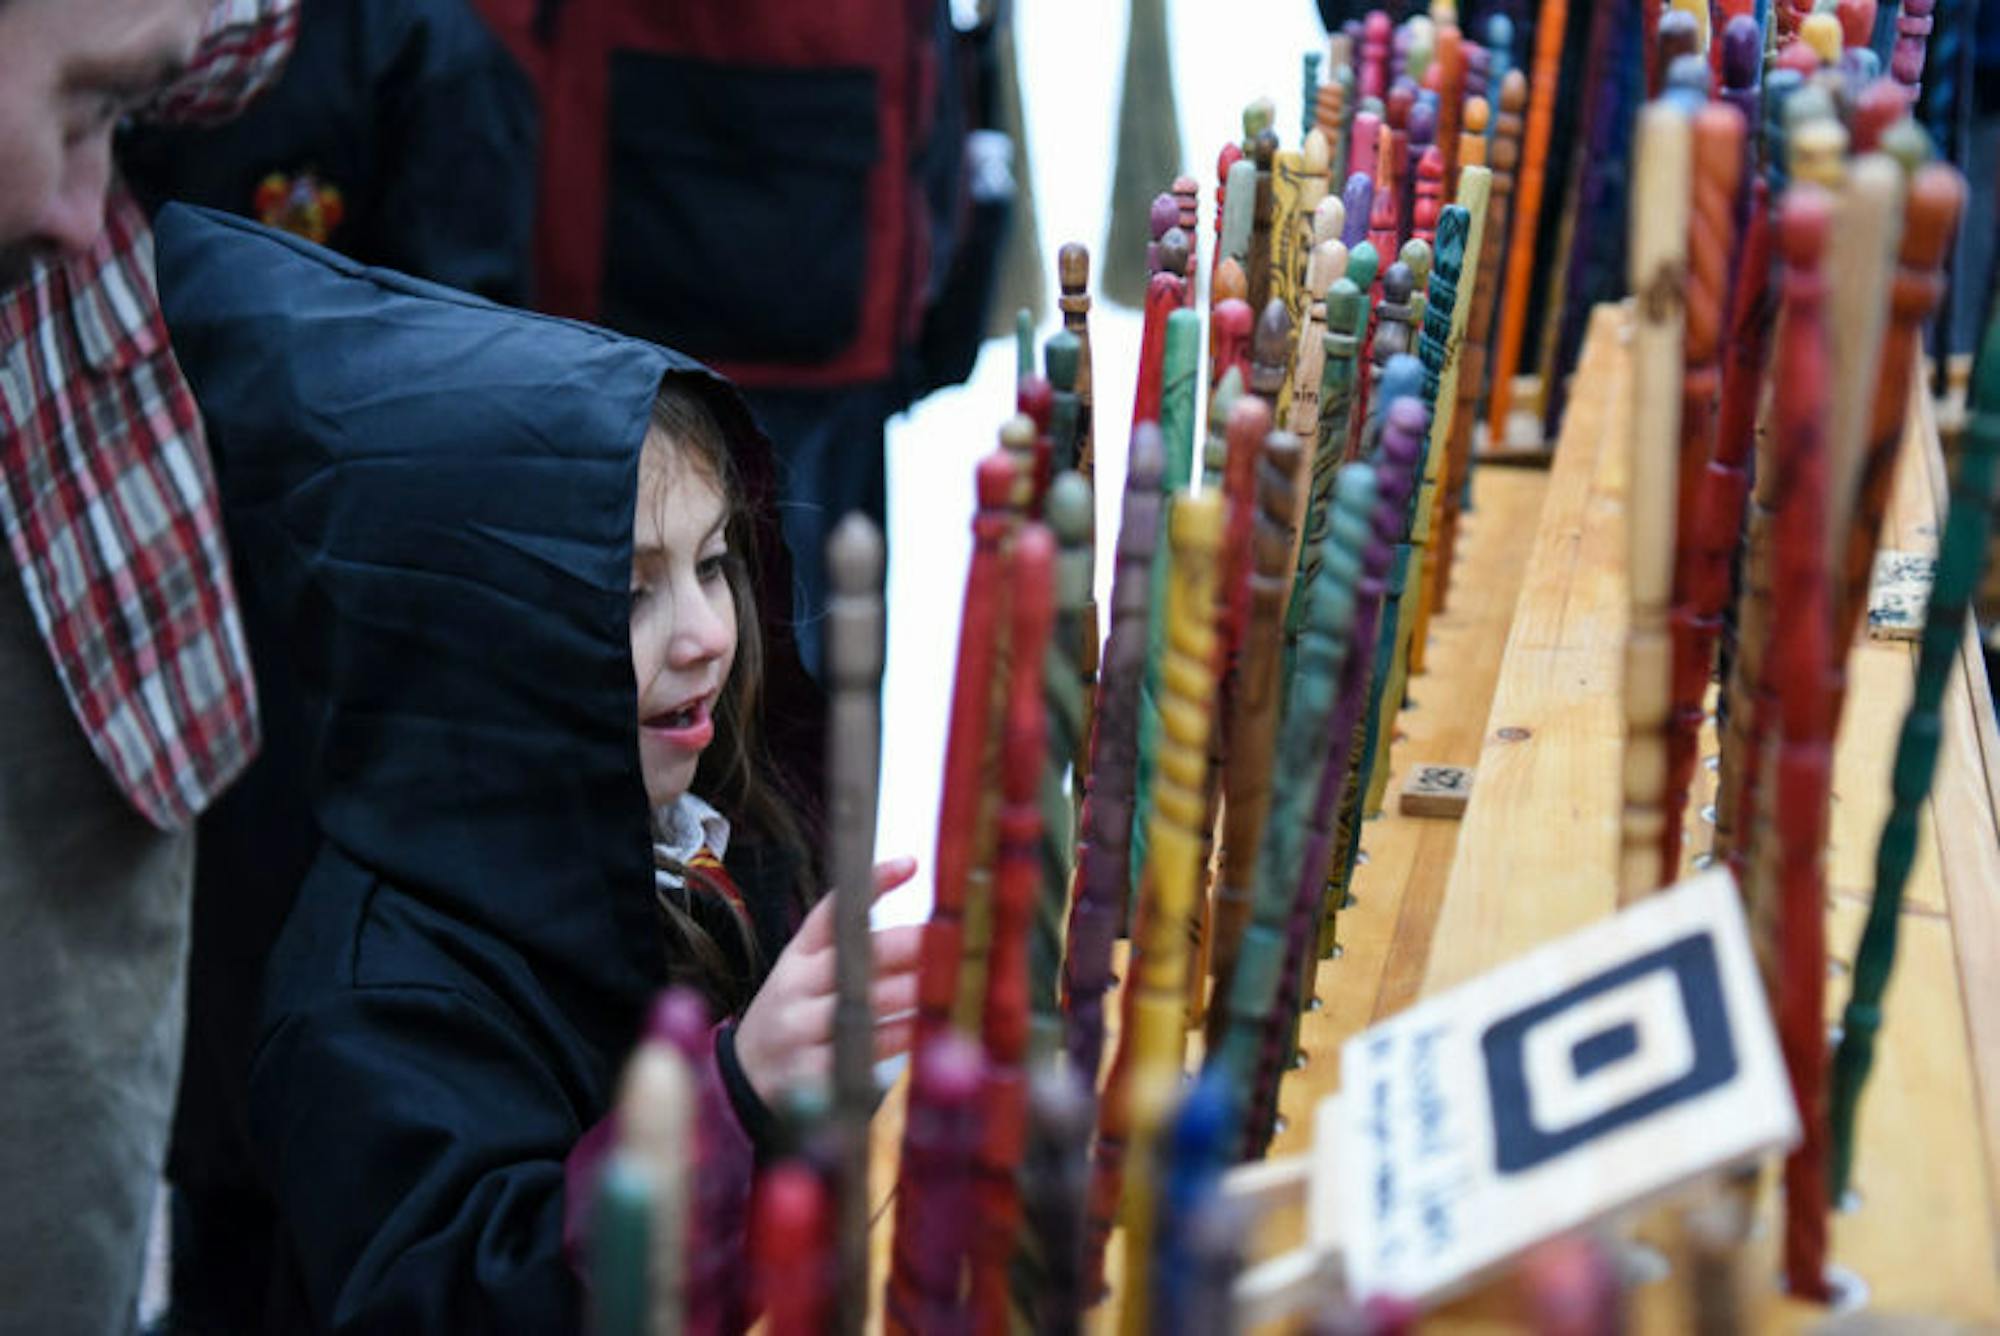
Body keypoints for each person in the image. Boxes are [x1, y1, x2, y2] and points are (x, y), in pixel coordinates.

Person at [153, 204, 922, 1332]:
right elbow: (468, 1299)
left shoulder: (713, 828)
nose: (709, 630)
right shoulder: (370, 1001)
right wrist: (733, 1096)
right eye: (629, 589)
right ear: (488, 641)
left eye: (713, 563)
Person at [0, 1, 296, 1330]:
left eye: (115, 116)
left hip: (65, 597)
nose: (86, 209)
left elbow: (249, 42)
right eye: (78, 111)